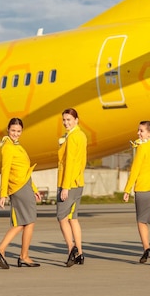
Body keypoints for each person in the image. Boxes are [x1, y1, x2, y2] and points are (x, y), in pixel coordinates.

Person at [0, 118, 41, 269]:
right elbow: (5, 170)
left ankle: (4, 251)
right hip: (19, 188)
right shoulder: (8, 146)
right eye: (13, 130)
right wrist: (3, 194)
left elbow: (24, 171)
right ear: (8, 130)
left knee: (22, 222)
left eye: (18, 131)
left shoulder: (16, 146)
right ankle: (22, 256)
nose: (15, 134)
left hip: (24, 185)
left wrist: (34, 188)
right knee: (29, 221)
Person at [123, 121, 150, 266]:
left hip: (143, 189)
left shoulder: (142, 148)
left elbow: (135, 170)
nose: (138, 133)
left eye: (141, 131)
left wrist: (127, 189)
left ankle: (146, 248)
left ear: (149, 133)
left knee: (142, 221)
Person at [57, 108, 87, 267]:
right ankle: (80, 253)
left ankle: (71, 248)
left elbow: (69, 163)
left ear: (77, 120)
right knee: (73, 218)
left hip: (68, 183)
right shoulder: (80, 135)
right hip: (78, 182)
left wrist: (65, 187)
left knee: (61, 217)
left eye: (69, 119)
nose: (66, 123)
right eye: (64, 120)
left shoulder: (73, 137)